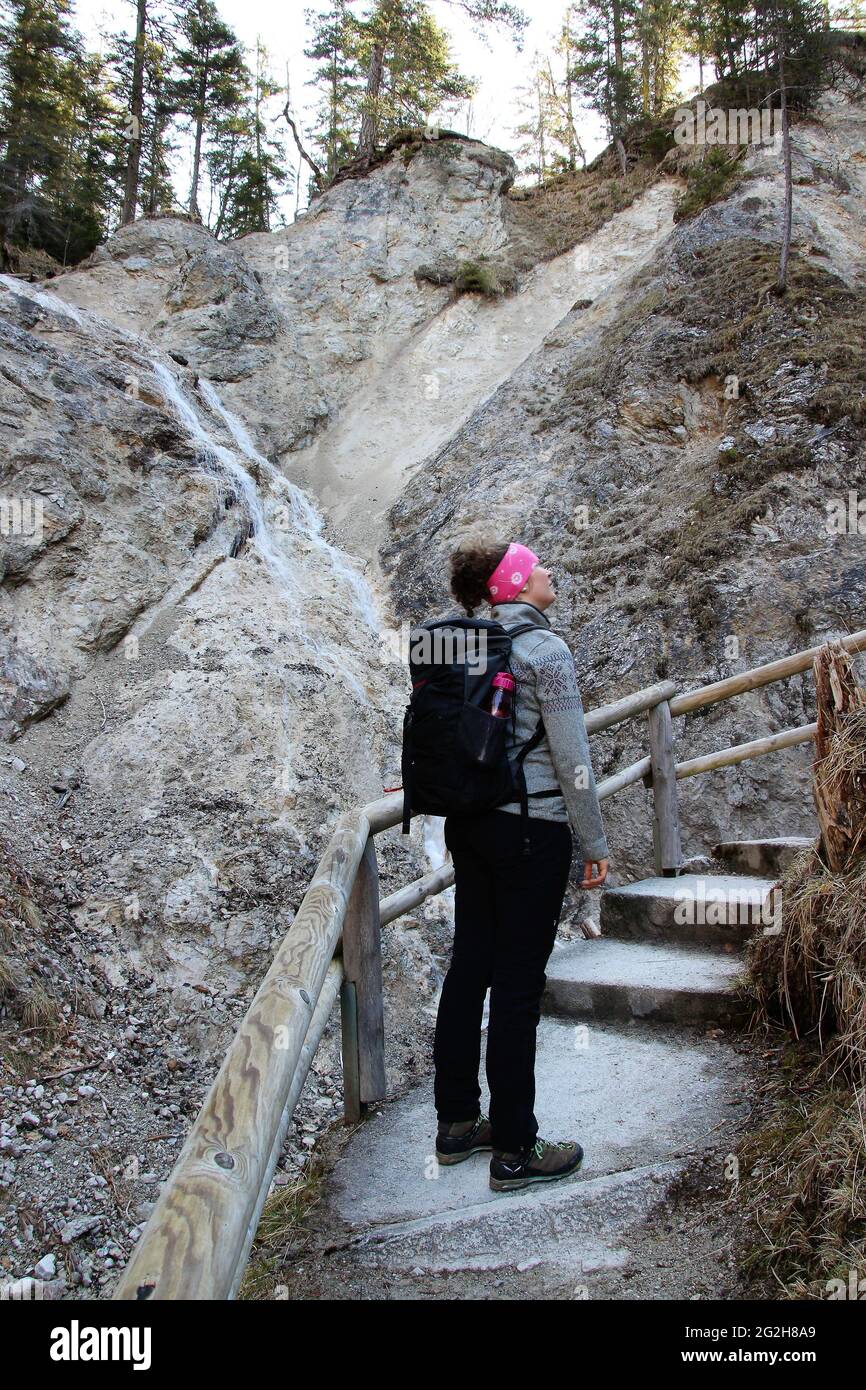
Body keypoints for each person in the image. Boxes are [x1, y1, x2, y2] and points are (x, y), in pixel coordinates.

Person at [433, 539, 610, 1193]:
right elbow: (574, 760)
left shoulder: (464, 643)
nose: (550, 572)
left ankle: (456, 1126)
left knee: (469, 968)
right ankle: (515, 1149)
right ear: (516, 582)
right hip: (532, 830)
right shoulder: (546, 651)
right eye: (538, 566)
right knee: (517, 987)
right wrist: (595, 845)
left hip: (470, 826)